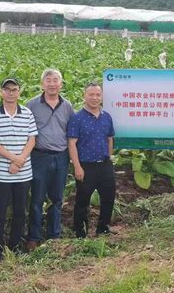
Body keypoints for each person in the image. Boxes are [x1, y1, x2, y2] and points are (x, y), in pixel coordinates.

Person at [0, 78, 38, 260]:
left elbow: (32, 139)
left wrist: (20, 161)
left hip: (23, 173)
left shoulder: (27, 113)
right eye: (7, 89)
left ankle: (15, 248)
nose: (10, 93)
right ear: (1, 92)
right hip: (2, 174)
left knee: (19, 212)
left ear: (19, 92)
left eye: (14, 89)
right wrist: (14, 159)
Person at [26, 69, 74, 250]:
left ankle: (54, 235)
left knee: (57, 199)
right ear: (42, 84)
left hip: (61, 157)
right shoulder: (32, 105)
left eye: (56, 80)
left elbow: (71, 133)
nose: (52, 84)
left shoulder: (67, 106)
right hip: (40, 156)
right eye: (48, 80)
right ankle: (34, 236)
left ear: (61, 84)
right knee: (37, 198)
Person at [67, 82, 116, 238]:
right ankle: (80, 231)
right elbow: (72, 143)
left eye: (98, 95)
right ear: (84, 96)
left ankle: (103, 228)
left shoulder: (106, 117)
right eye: (91, 94)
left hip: (104, 164)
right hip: (85, 166)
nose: (94, 98)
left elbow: (109, 139)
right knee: (82, 200)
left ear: (101, 97)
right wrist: (77, 167)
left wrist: (108, 157)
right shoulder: (77, 118)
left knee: (108, 197)